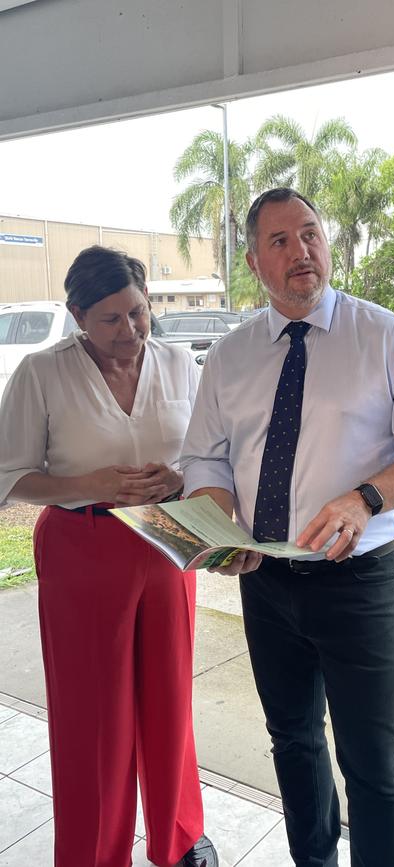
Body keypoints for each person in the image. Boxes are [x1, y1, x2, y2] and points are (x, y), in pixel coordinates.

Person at [180, 187, 394, 867]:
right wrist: (216, 522)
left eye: (310, 233)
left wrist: (365, 497)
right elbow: (206, 455)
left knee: (370, 756)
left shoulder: (386, 337)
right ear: (253, 261)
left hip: (355, 580)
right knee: (293, 741)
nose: (300, 250)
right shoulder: (230, 355)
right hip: (264, 578)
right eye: (279, 241)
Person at [0, 246, 217, 867]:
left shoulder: (179, 364)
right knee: (94, 712)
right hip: (82, 546)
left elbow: (206, 454)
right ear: (76, 315)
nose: (130, 332)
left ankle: (178, 836)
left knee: (170, 695)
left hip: (167, 537)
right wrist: (85, 486)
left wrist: (176, 477)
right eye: (111, 320)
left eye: (138, 314)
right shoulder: (42, 374)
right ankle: (96, 852)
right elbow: (9, 476)